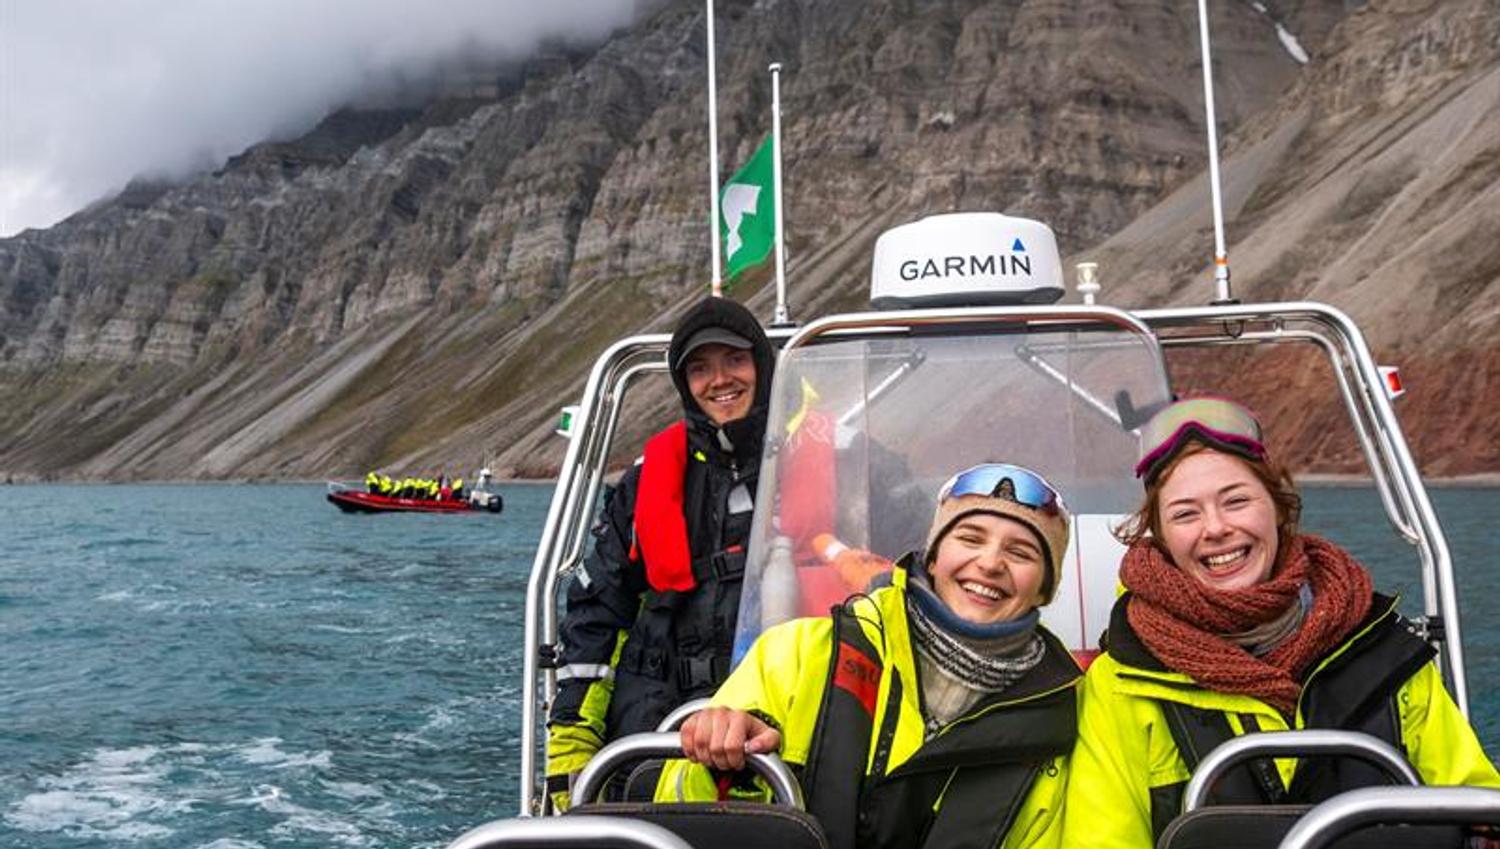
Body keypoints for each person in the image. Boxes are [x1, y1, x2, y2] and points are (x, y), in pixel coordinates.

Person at [1063, 396, 1500, 847]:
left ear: (1278, 507)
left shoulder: (1379, 648)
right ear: (1160, 537)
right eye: (1185, 514)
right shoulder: (1123, 684)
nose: (1215, 528)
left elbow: (1476, 803)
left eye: (1236, 501)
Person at [664, 463, 1081, 849]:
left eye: (1021, 552)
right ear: (933, 558)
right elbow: (675, 809)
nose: (990, 563)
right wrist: (724, 765)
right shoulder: (796, 654)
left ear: (1045, 588)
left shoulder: (1065, 717)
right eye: (970, 538)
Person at [545, 296, 776, 811]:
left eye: (735, 360)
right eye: (700, 368)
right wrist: (571, 743)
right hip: (655, 720)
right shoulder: (648, 479)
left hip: (782, 707)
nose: (720, 380)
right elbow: (598, 609)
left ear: (762, 364)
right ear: (683, 383)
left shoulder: (823, 458)